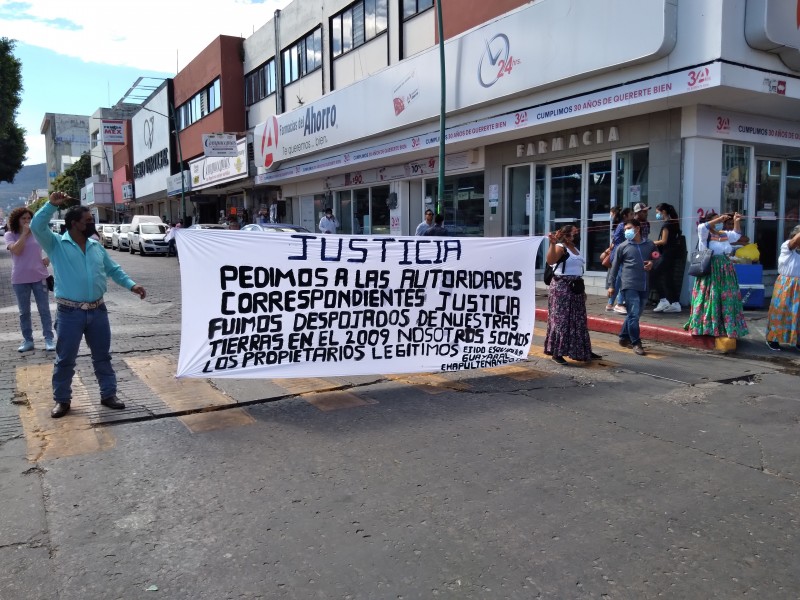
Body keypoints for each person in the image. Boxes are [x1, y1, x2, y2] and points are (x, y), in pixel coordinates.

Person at [31, 192, 147, 419]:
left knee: (102, 356)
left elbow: (113, 270)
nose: (92, 224)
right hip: (69, 312)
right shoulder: (56, 244)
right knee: (65, 359)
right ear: (74, 224)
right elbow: (36, 226)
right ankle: (62, 400)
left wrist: (132, 285)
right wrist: (50, 205)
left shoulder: (96, 247)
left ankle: (108, 394)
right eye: (88, 221)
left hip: (98, 311)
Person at [684, 211, 749, 341]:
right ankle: (707, 326)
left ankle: (726, 326)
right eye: (716, 220)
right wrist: (718, 219)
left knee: (728, 297)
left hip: (726, 270)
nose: (719, 222)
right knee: (710, 297)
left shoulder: (725, 234)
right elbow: (702, 227)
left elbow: (736, 235)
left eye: (720, 220)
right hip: (711, 269)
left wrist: (736, 221)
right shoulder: (705, 234)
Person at [543, 224, 601, 364]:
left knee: (578, 320)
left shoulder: (575, 248)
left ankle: (582, 349)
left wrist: (583, 291)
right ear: (567, 235)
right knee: (561, 320)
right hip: (562, 288)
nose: (577, 235)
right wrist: (552, 244)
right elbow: (550, 261)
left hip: (576, 287)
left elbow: (577, 270)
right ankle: (557, 352)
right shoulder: (560, 247)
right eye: (575, 233)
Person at [4, 207, 55, 353]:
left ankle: (49, 339)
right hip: (20, 278)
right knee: (24, 312)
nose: (27, 221)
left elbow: (53, 245)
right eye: (23, 219)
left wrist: (48, 258)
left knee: (44, 309)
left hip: (40, 276)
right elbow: (16, 250)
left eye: (29, 218)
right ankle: (28, 340)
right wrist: (25, 235)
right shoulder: (10, 235)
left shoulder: (38, 233)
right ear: (16, 220)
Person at [606, 219, 661, 356]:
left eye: (628, 228)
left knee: (634, 315)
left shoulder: (649, 244)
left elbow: (659, 257)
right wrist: (612, 286)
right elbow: (614, 267)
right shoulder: (622, 246)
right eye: (625, 229)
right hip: (628, 285)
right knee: (634, 314)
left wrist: (653, 263)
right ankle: (636, 342)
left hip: (644, 285)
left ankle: (624, 337)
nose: (626, 231)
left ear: (637, 228)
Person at [765, 224, 800, 351]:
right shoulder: (787, 247)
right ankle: (773, 338)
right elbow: (795, 241)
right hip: (786, 284)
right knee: (781, 312)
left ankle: (797, 340)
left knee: (798, 314)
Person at [651, 203, 683, 313]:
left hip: (666, 254)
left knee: (654, 273)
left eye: (657, 212)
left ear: (663, 212)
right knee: (668, 278)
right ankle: (675, 303)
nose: (657, 215)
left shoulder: (667, 225)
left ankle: (663, 299)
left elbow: (663, 241)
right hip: (672, 254)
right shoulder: (674, 223)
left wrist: (651, 242)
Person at [604, 207, 633, 314]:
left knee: (618, 280)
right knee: (621, 280)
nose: (632, 216)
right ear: (625, 216)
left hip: (619, 255)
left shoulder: (621, 225)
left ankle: (611, 303)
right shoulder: (623, 226)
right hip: (621, 256)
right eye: (631, 214)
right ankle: (619, 303)